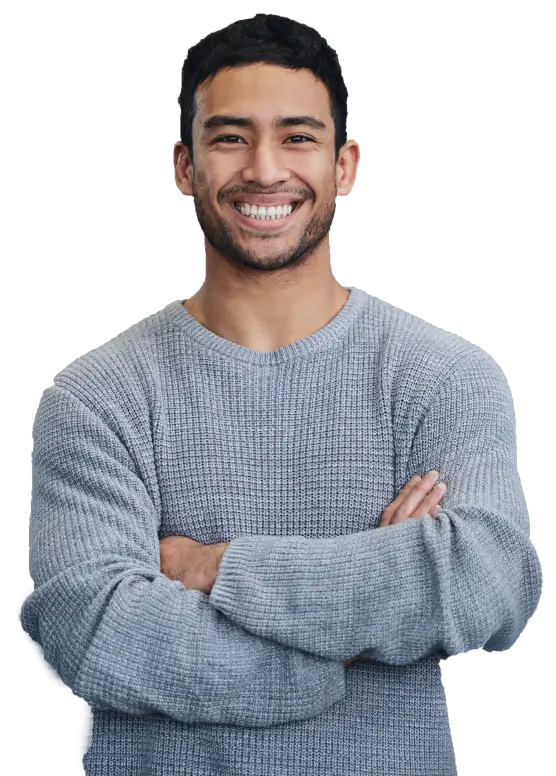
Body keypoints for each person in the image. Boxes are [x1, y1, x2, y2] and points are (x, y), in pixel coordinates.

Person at [17, 14, 542, 776]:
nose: (265, 169)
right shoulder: (95, 399)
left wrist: (219, 568)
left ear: (346, 166)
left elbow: (491, 583)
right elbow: (89, 627)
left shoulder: (444, 377)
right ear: (183, 166)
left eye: (298, 137)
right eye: (230, 137)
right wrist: (352, 633)